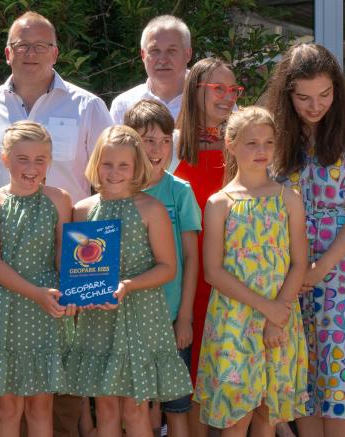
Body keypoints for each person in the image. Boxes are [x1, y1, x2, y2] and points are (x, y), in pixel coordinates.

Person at [265, 43, 345, 437]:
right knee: (303, 383)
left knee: (339, 386)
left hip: (342, 276)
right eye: (303, 98)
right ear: (287, 95)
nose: (315, 106)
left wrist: (319, 269)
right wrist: (298, 274)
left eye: (325, 95)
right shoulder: (276, 138)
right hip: (287, 275)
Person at [194, 106, 309, 435]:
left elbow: (300, 262)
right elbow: (213, 271)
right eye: (251, 143)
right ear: (230, 144)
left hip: (280, 317)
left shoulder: (290, 198)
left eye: (268, 143)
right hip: (235, 320)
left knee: (267, 413)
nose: (262, 151)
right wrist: (267, 308)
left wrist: (278, 312)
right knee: (236, 414)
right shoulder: (220, 203)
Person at [69, 125, 190, 437]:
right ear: (95, 163)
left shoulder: (151, 208)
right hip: (98, 318)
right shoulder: (82, 210)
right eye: (107, 164)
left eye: (124, 165)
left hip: (140, 316)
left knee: (136, 410)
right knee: (105, 408)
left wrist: (128, 285)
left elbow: (167, 268)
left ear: (137, 167)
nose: (114, 172)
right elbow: (75, 268)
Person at [0, 121, 76, 437]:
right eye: (22, 159)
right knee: (7, 407)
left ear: (50, 161)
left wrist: (74, 293)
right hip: (8, 309)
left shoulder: (60, 199)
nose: (32, 168)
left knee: (41, 406)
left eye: (40, 159)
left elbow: (63, 258)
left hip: (47, 312)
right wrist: (36, 293)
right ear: (4, 158)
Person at [0, 11, 113, 205]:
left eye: (41, 46)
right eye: (22, 45)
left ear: (55, 53)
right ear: (8, 54)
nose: (31, 53)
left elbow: (111, 177)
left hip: (68, 231)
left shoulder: (88, 107)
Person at [123, 99, 201, 437]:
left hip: (170, 317)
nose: (158, 149)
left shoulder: (180, 191)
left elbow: (192, 257)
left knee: (177, 407)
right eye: (148, 140)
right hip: (129, 317)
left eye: (165, 140)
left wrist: (184, 316)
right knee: (139, 407)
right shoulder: (115, 191)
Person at [172, 57, 241, 407]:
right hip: (185, 278)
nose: (227, 97)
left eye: (233, 89)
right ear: (194, 90)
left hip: (235, 278)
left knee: (235, 381)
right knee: (192, 384)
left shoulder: (246, 147)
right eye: (218, 88)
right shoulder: (169, 146)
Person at [109, 15, 193, 132]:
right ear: (143, 55)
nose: (163, 60)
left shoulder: (208, 99)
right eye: (155, 51)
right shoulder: (123, 105)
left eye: (171, 51)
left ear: (188, 54)